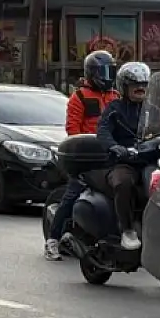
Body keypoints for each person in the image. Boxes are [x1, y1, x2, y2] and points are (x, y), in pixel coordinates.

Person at [44, 51, 118, 260]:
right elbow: (73, 129)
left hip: (112, 156)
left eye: (110, 71)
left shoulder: (116, 97)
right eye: (103, 71)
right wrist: (89, 146)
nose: (107, 75)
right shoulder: (80, 97)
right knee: (73, 193)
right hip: (87, 158)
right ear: (91, 73)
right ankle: (52, 240)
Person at [93, 61, 152, 252]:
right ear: (124, 87)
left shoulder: (153, 110)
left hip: (150, 160)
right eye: (135, 85)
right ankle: (127, 230)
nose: (140, 88)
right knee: (123, 182)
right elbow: (102, 131)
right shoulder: (115, 108)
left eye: (143, 84)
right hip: (124, 162)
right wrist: (115, 147)